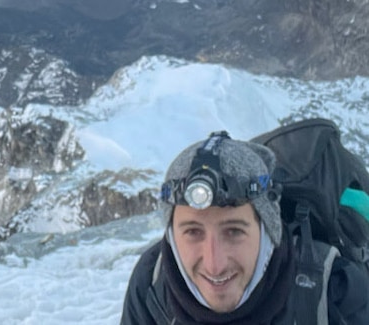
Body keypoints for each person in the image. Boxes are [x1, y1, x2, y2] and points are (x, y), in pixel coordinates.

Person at [121, 132, 369, 324]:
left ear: (268, 230)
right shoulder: (152, 283)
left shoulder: (334, 291)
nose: (214, 264)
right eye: (193, 232)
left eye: (234, 231)